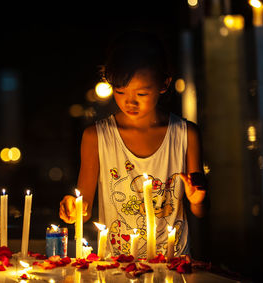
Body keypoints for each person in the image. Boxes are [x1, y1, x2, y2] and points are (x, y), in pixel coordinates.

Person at [59, 30, 207, 259]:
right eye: (120, 91)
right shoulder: (96, 137)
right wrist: (74, 208)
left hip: (173, 262)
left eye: (141, 93)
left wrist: (197, 199)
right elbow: (84, 207)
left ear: (164, 83)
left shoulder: (185, 134)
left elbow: (199, 210)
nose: (130, 101)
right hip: (116, 263)